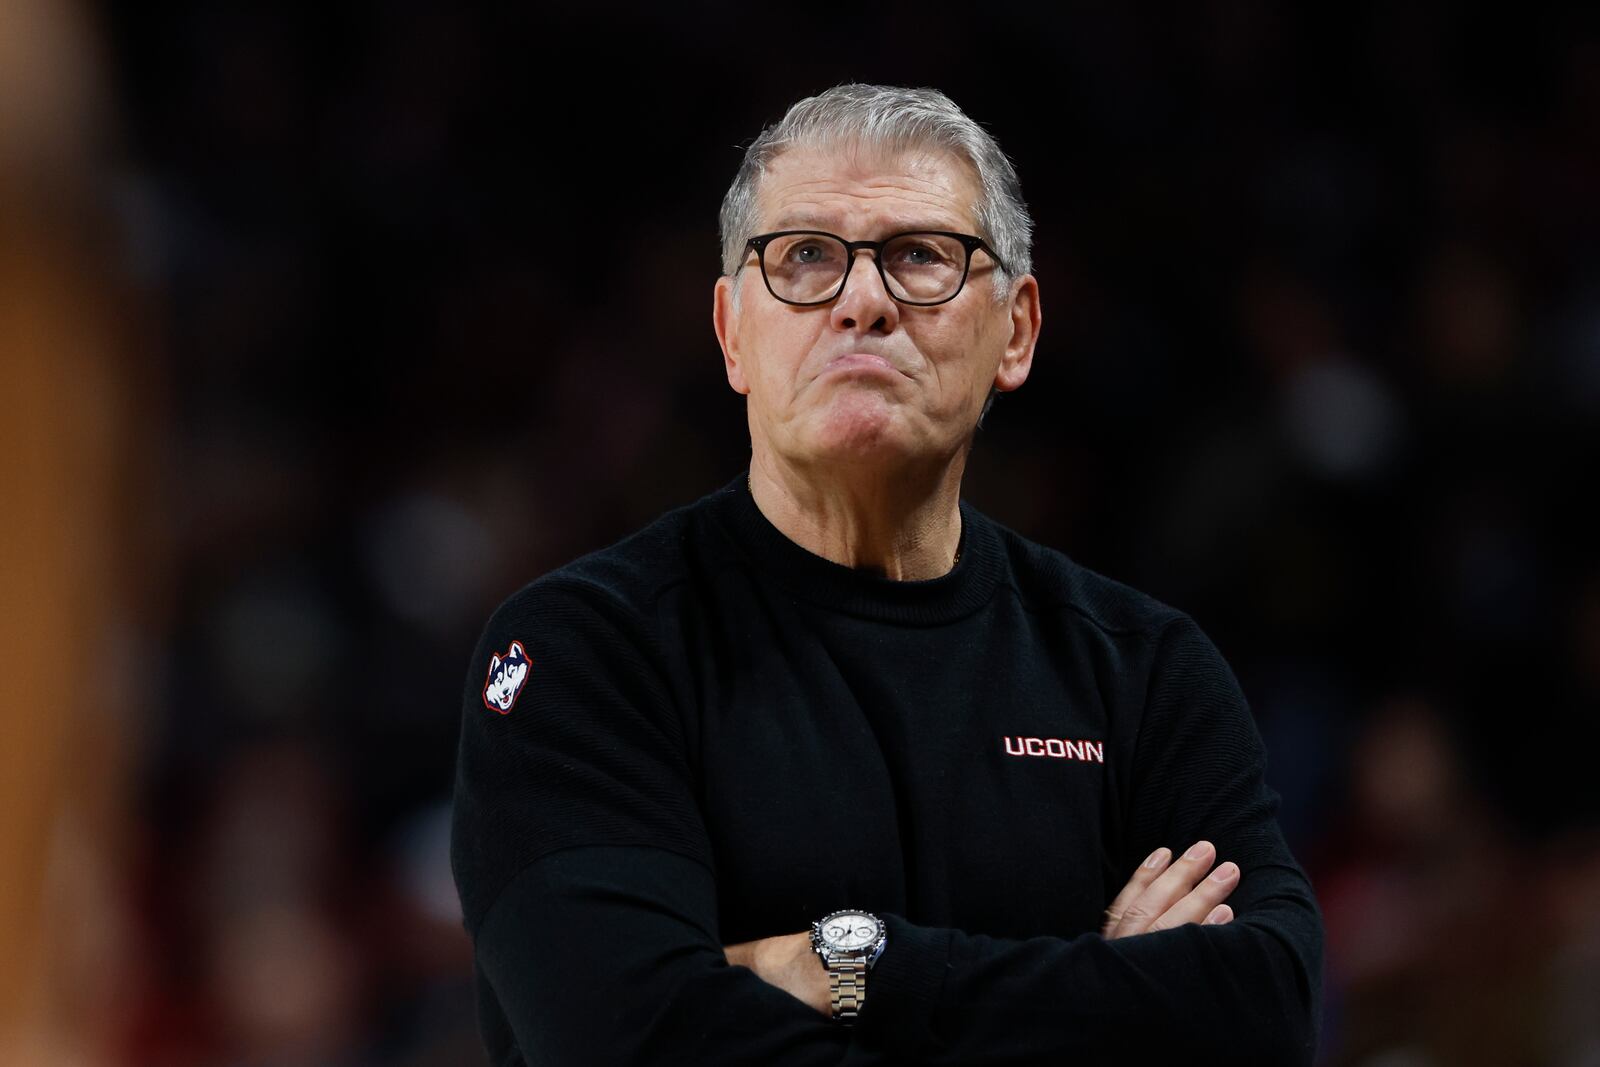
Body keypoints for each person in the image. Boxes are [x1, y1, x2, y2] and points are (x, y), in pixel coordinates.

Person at [450, 84, 1323, 1065]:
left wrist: (851, 965)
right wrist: (1106, 999)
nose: (862, 300)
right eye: (806, 258)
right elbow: (635, 1039)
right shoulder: (584, 654)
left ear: (1017, 331)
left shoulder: (1143, 672)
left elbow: (1267, 1007)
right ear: (733, 332)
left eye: (920, 257)